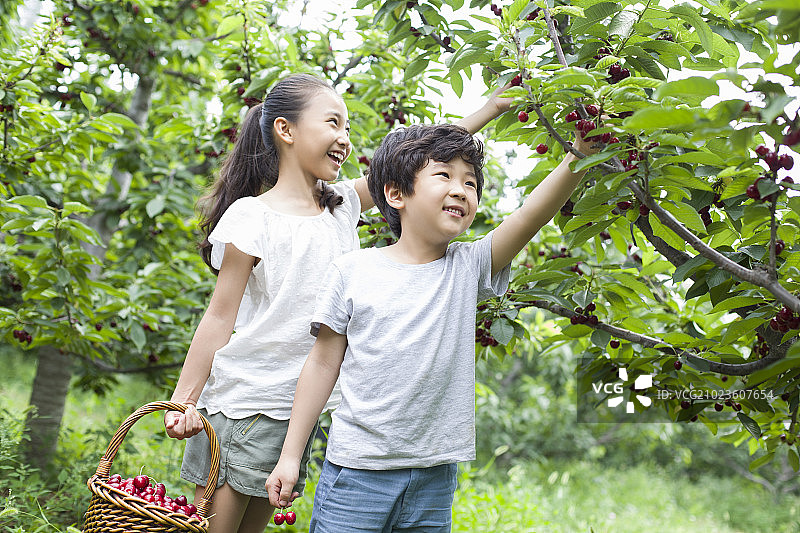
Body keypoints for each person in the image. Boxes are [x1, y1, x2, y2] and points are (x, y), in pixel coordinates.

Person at [162, 71, 513, 533]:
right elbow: (219, 316)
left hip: (298, 414)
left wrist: (490, 108)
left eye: (347, 128)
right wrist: (182, 400)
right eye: (332, 123)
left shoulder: (340, 205)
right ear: (285, 131)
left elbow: (419, 161)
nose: (344, 138)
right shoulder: (252, 216)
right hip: (249, 404)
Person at [265, 121, 599, 532]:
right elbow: (321, 366)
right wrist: (290, 456)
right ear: (395, 193)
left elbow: (531, 215)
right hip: (356, 472)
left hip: (433, 479)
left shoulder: (467, 266)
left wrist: (579, 153)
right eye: (444, 175)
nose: (461, 190)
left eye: (471, 182)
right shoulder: (352, 271)